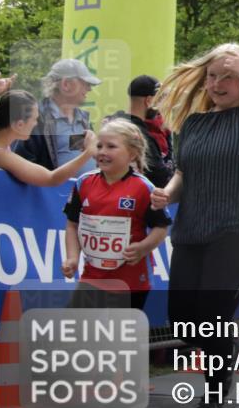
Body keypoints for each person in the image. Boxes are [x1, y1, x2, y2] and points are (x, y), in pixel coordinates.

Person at [150, 43, 239, 408]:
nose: (217, 83)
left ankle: (212, 400)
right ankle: (228, 347)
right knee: (182, 322)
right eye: (212, 75)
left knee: (211, 317)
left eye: (228, 75)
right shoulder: (193, 124)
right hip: (193, 229)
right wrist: (168, 193)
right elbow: (184, 173)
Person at [61, 118, 172, 309]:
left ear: (132, 154)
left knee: (119, 336)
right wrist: (72, 258)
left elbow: (161, 227)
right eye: (99, 146)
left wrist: (143, 247)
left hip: (131, 282)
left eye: (111, 146)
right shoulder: (83, 183)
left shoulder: (144, 187)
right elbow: (72, 224)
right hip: (92, 278)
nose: (102, 152)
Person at [0, 90, 96, 185]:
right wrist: (88, 153)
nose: (36, 124)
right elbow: (51, 179)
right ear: (19, 125)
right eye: (35, 119)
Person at [14, 59, 100, 176]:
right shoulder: (34, 118)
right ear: (66, 84)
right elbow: (20, 166)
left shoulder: (83, 119)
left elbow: (69, 150)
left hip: (86, 192)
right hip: (52, 193)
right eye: (85, 83)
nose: (89, 89)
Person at [108, 74, 174, 187]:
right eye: (161, 99)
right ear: (149, 100)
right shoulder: (138, 133)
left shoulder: (114, 124)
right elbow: (159, 175)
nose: (163, 105)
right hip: (133, 197)